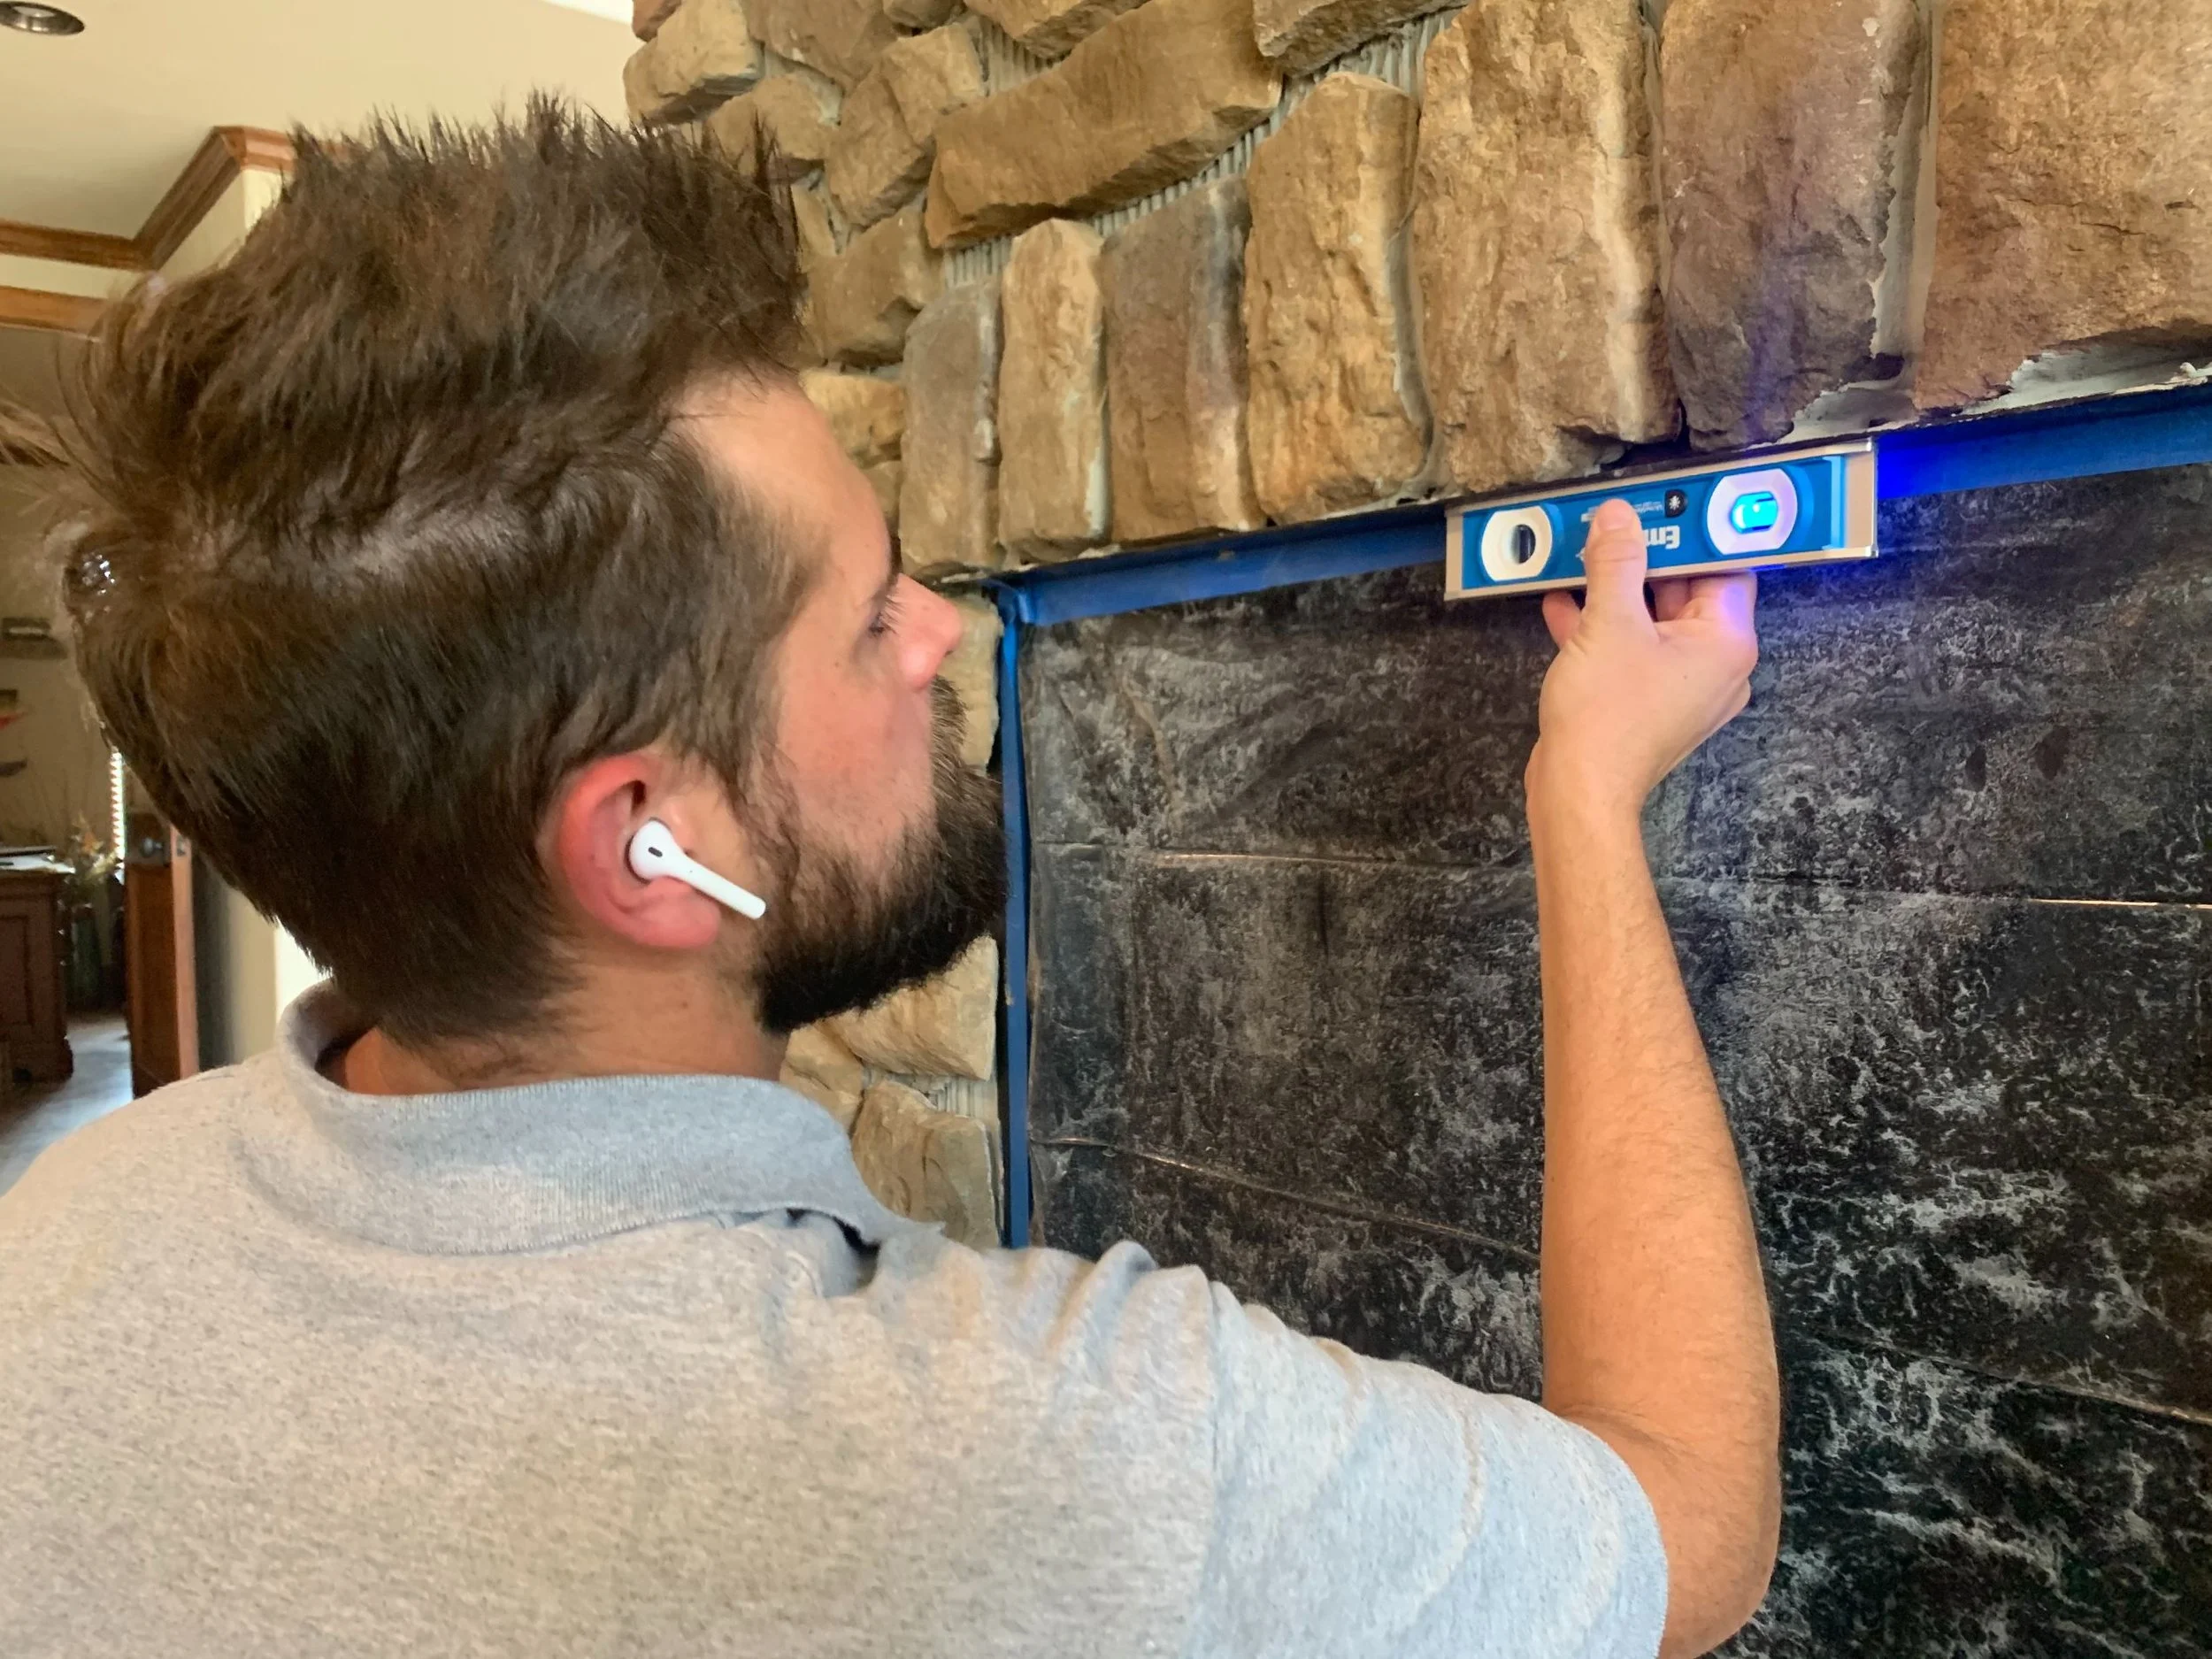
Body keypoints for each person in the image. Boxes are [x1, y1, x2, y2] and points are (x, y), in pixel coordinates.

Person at [0, 106, 1778, 1657]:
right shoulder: (1024, 1463)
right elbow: (1685, 1533)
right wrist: (1588, 791)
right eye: (862, 620)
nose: (939, 632)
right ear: (647, 844)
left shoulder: (77, 1232)